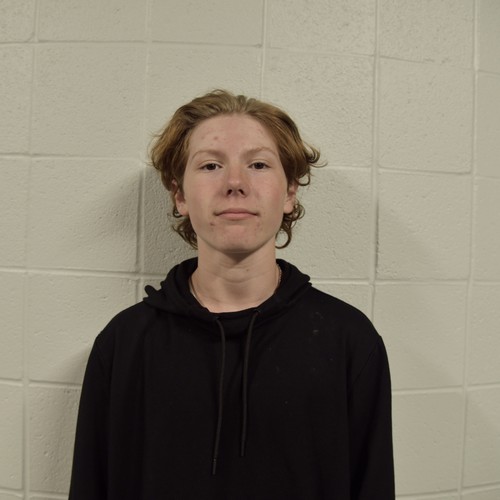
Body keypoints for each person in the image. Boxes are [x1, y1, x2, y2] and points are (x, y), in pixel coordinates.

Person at [69, 89, 394, 499]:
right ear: (180, 195)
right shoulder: (124, 344)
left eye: (258, 164)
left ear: (289, 192)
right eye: (210, 165)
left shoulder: (350, 341)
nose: (235, 183)